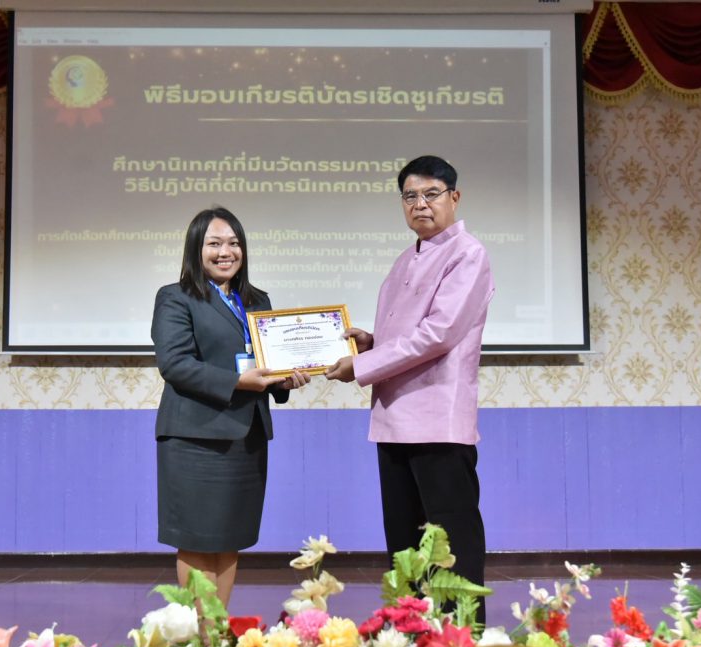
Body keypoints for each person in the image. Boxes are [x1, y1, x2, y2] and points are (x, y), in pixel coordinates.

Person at [325, 155, 494, 621]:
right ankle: (411, 639)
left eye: (431, 194)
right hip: (394, 418)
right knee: (404, 544)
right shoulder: (407, 256)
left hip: (438, 420)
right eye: (410, 196)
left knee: (450, 544)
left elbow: (439, 334)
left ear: (454, 197)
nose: (420, 204)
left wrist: (362, 366)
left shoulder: (468, 254)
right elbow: (407, 335)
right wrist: (371, 343)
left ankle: (462, 640)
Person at [152, 206, 310, 607]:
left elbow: (269, 362)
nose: (226, 252)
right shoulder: (176, 297)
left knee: (230, 537)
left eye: (234, 243)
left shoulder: (256, 300)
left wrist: (285, 379)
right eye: (215, 243)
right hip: (196, 439)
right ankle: (197, 632)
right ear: (196, 249)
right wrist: (238, 381)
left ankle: (217, 629)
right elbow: (175, 364)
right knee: (197, 539)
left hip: (247, 437)